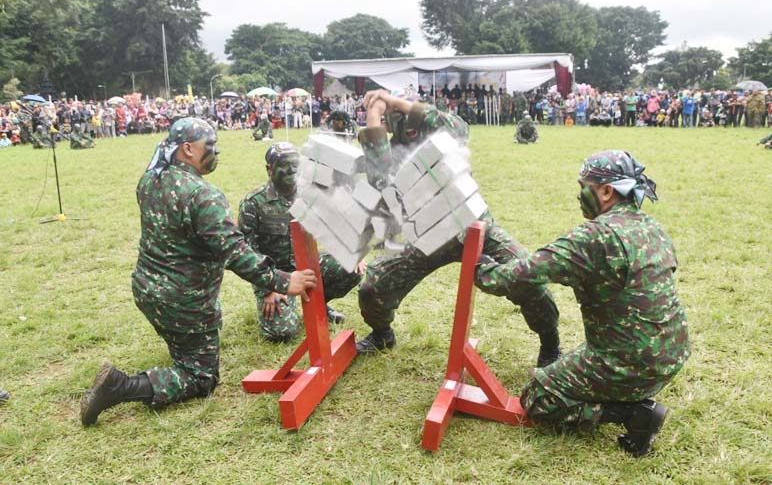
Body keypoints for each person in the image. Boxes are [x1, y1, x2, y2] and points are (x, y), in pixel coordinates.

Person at [80, 118, 317, 426]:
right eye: (211, 146)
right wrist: (284, 281)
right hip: (183, 302)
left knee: (188, 348)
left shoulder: (150, 179)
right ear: (188, 149)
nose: (216, 152)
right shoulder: (202, 195)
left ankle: (182, 347)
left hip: (148, 289)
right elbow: (235, 252)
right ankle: (119, 386)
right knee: (201, 376)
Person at [476, 150, 690, 457]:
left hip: (630, 363)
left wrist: (481, 267)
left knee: (537, 396)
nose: (580, 195)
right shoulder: (651, 227)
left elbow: (522, 276)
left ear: (606, 191)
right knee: (573, 360)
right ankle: (629, 397)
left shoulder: (595, 237)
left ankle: (630, 414)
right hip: (671, 354)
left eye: (583, 187)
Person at [353, 90, 562, 366]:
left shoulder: (444, 135)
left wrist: (395, 102)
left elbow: (457, 127)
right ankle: (382, 334)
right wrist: (373, 114)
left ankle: (551, 344)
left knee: (527, 278)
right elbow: (379, 177)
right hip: (430, 237)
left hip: (475, 227)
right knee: (373, 287)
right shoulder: (395, 154)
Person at [238, 143, 362, 341]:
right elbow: (247, 253)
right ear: (269, 169)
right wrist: (269, 288)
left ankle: (319, 304)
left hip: (307, 265)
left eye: (296, 165)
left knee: (351, 268)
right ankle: (282, 305)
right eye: (284, 165)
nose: (292, 170)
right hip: (275, 273)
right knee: (281, 333)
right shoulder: (253, 203)